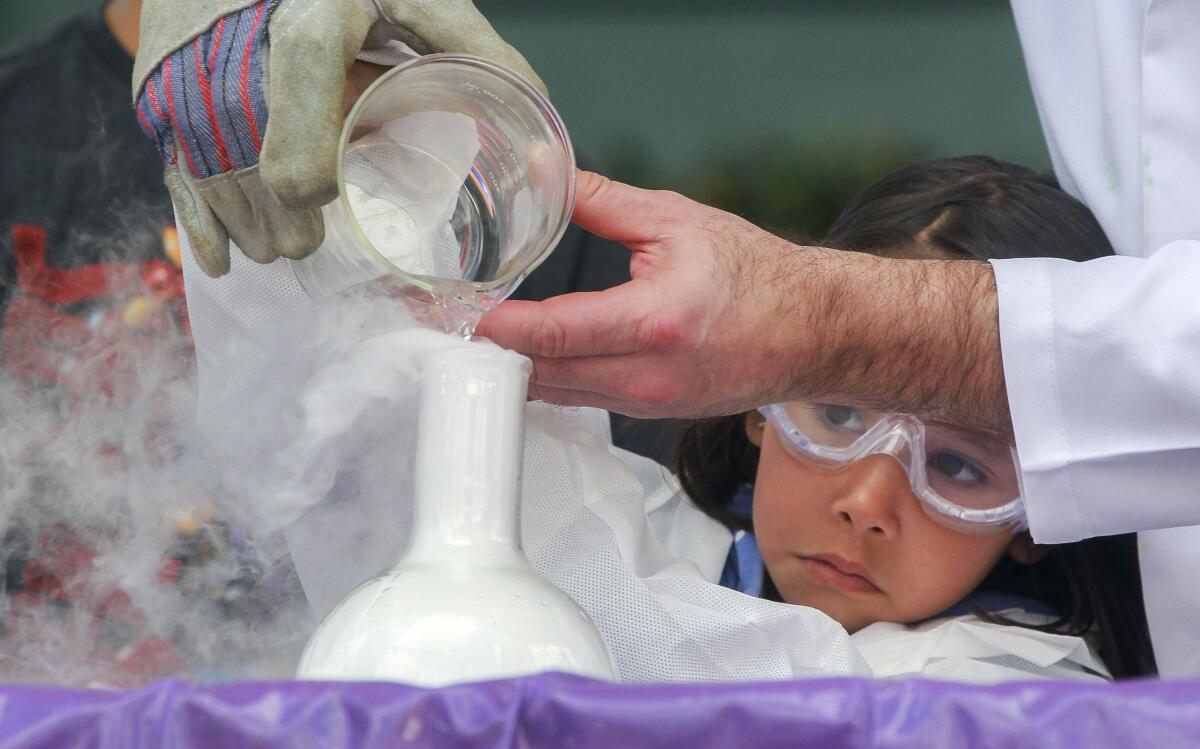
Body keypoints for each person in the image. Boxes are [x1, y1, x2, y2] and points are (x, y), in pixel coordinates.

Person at [674, 156, 1155, 680]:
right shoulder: (621, 546)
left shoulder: (1019, 707)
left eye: (957, 465)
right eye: (838, 414)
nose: (865, 505)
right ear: (758, 397)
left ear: (1038, 523)